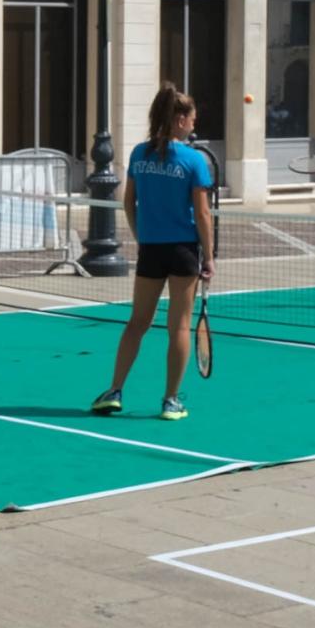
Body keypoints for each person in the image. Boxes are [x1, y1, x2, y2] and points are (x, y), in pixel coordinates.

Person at [91, 84, 214, 421]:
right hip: (183, 251)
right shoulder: (194, 160)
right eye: (192, 119)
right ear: (179, 120)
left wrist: (141, 236)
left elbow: (129, 202)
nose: (193, 125)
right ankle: (171, 401)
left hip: (151, 250)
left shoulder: (138, 154)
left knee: (137, 323)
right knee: (179, 327)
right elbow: (203, 214)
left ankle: (114, 391)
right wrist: (209, 256)